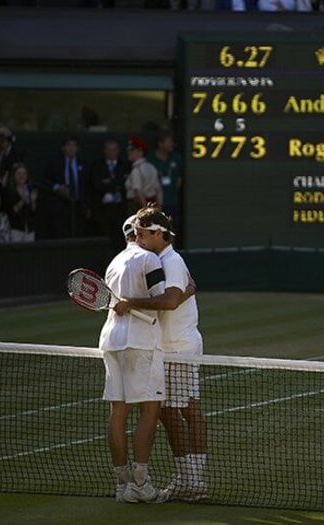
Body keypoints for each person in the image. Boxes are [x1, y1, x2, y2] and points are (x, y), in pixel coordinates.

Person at [115, 204, 207, 503]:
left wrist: (131, 302)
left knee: (180, 410)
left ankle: (193, 480)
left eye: (142, 234)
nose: (137, 239)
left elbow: (169, 301)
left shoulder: (172, 260)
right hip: (167, 345)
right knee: (172, 411)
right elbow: (187, 288)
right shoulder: (159, 258)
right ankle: (189, 479)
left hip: (178, 346)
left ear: (158, 234)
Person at [100, 214, 167, 503]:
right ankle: (141, 484)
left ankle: (122, 485)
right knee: (150, 410)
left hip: (111, 340)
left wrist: (128, 304)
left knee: (119, 411)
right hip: (140, 341)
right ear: (142, 233)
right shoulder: (150, 260)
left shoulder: (113, 263)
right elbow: (163, 300)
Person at [38, 136, 89, 239]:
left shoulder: (83, 164)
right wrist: (57, 188)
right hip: (60, 207)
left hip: (78, 207)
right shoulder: (54, 163)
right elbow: (44, 180)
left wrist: (87, 206)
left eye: (73, 145)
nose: (71, 148)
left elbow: (87, 185)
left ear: (77, 148)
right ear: (63, 148)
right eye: (68, 145)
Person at [89, 137, 131, 243]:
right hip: (103, 208)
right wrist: (117, 183)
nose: (111, 152)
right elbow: (96, 184)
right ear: (104, 150)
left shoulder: (124, 165)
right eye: (109, 149)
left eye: (114, 149)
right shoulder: (97, 165)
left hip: (120, 208)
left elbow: (125, 184)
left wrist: (108, 183)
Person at [146, 130, 182, 237]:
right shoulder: (150, 159)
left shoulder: (176, 158)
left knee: (171, 229)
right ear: (160, 143)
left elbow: (179, 179)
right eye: (169, 142)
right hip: (154, 202)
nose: (172, 144)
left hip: (172, 200)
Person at [125, 135, 162, 215]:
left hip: (138, 206)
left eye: (131, 150)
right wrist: (159, 207)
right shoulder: (151, 167)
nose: (129, 152)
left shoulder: (136, 170)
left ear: (140, 151)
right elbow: (158, 189)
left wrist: (145, 209)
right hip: (152, 204)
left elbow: (138, 191)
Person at [4, 162, 37, 242]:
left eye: (24, 174)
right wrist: (22, 201)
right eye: (19, 174)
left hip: (29, 229)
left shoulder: (29, 189)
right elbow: (11, 212)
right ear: (14, 176)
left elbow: (33, 211)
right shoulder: (10, 191)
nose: (22, 176)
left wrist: (33, 201)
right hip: (15, 229)